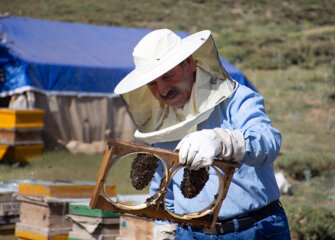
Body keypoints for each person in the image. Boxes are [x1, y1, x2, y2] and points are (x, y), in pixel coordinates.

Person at [114, 29, 291, 240]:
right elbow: (163, 188)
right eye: (152, 83)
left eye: (167, 76)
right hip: (190, 233)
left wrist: (222, 140)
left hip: (253, 230)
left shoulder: (237, 99)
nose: (162, 90)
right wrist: (165, 231)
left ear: (189, 63)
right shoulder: (160, 124)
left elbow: (268, 142)